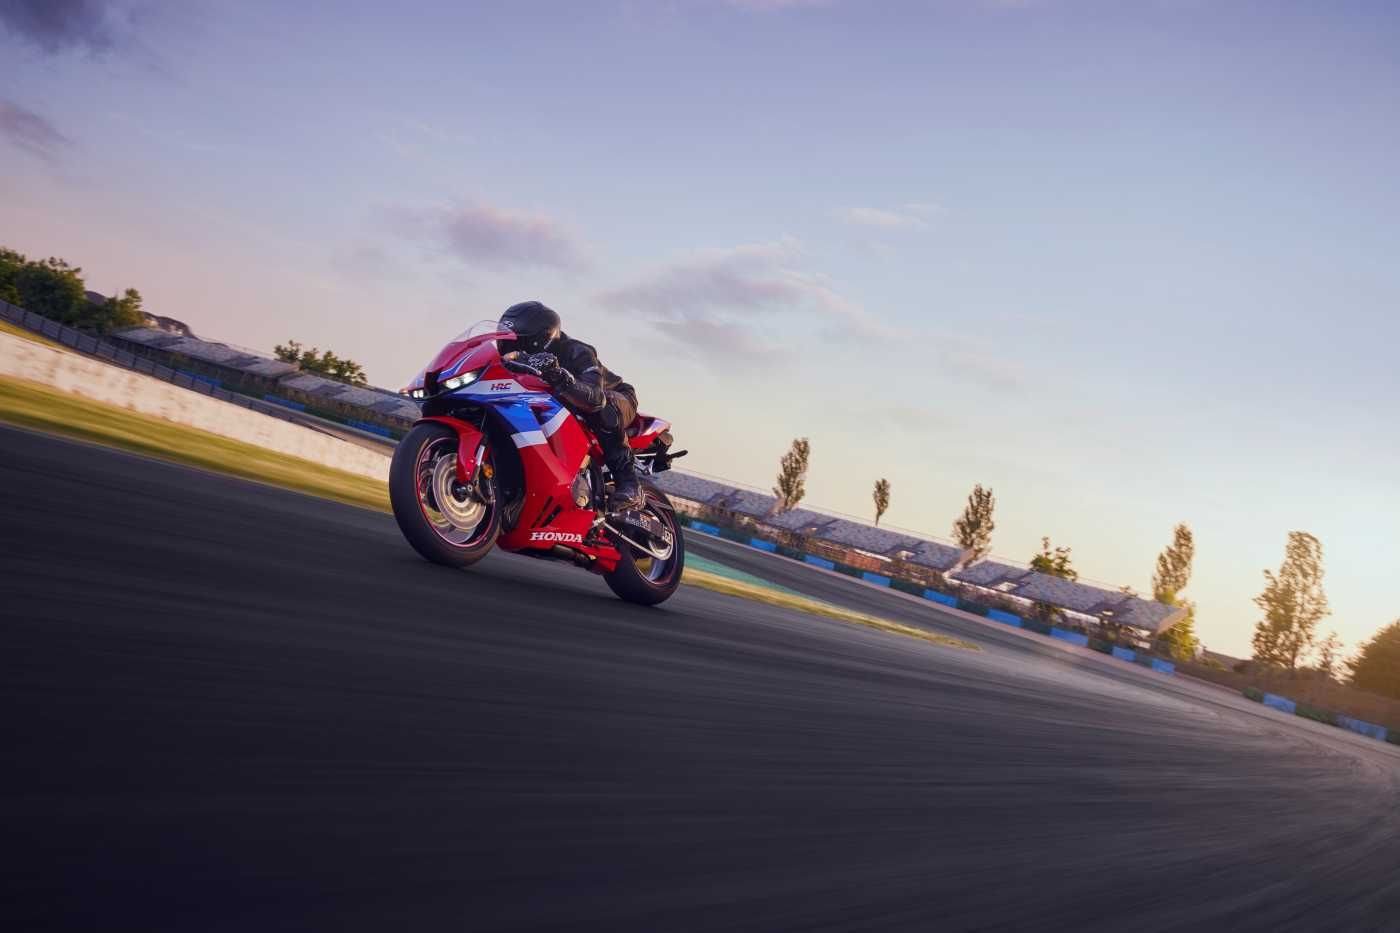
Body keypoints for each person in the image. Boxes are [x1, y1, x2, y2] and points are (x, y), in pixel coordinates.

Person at [497, 300, 644, 512]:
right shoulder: (512, 361)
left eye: (517, 341)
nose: (510, 347)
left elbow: (595, 398)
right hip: (567, 402)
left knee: (604, 407)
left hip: (619, 397)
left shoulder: (577, 352)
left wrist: (558, 376)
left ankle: (629, 483)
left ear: (539, 340)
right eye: (506, 340)